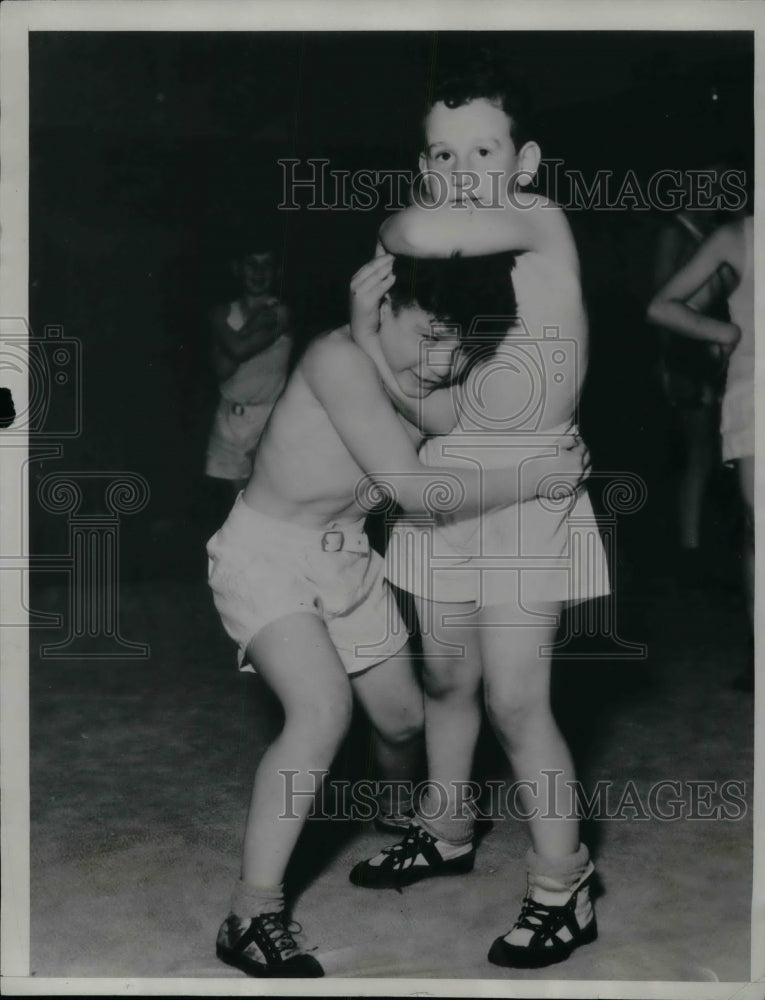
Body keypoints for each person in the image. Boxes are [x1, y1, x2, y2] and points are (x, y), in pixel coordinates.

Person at [206, 246, 587, 978]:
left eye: (463, 344)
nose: (445, 360)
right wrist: (538, 475)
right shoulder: (335, 355)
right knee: (319, 713)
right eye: (430, 335)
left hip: (346, 556)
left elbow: (453, 417)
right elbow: (416, 490)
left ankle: (398, 820)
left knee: (404, 720)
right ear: (382, 304)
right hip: (267, 555)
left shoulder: (411, 369)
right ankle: (250, 914)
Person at [348, 56, 610, 970]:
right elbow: (438, 413)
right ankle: (446, 827)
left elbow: (412, 225)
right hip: (450, 486)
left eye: (482, 150)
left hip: (531, 491)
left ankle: (561, 883)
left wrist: (399, 224)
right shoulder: (457, 275)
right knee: (446, 682)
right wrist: (371, 335)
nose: (459, 170)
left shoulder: (535, 220)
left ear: (524, 161)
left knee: (515, 698)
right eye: (441, 152)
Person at [648, 213, 754, 689]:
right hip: (757, 394)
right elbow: (664, 305)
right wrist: (724, 333)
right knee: (760, 527)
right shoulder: (738, 236)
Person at [649, 171, 736, 580]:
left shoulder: (717, 232)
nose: (715, 194)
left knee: (714, 452)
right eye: (707, 186)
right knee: (699, 452)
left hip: (714, 352)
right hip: (684, 356)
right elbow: (660, 300)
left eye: (718, 186)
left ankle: (701, 538)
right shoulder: (675, 230)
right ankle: (689, 547)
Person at [205, 241, 293, 495]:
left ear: (276, 272)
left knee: (266, 501)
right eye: (251, 264)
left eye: (267, 265)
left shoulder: (280, 313)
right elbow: (221, 370)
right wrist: (251, 326)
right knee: (234, 507)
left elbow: (239, 350)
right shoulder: (225, 311)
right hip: (229, 420)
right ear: (237, 269)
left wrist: (222, 327)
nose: (259, 272)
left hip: (268, 420)